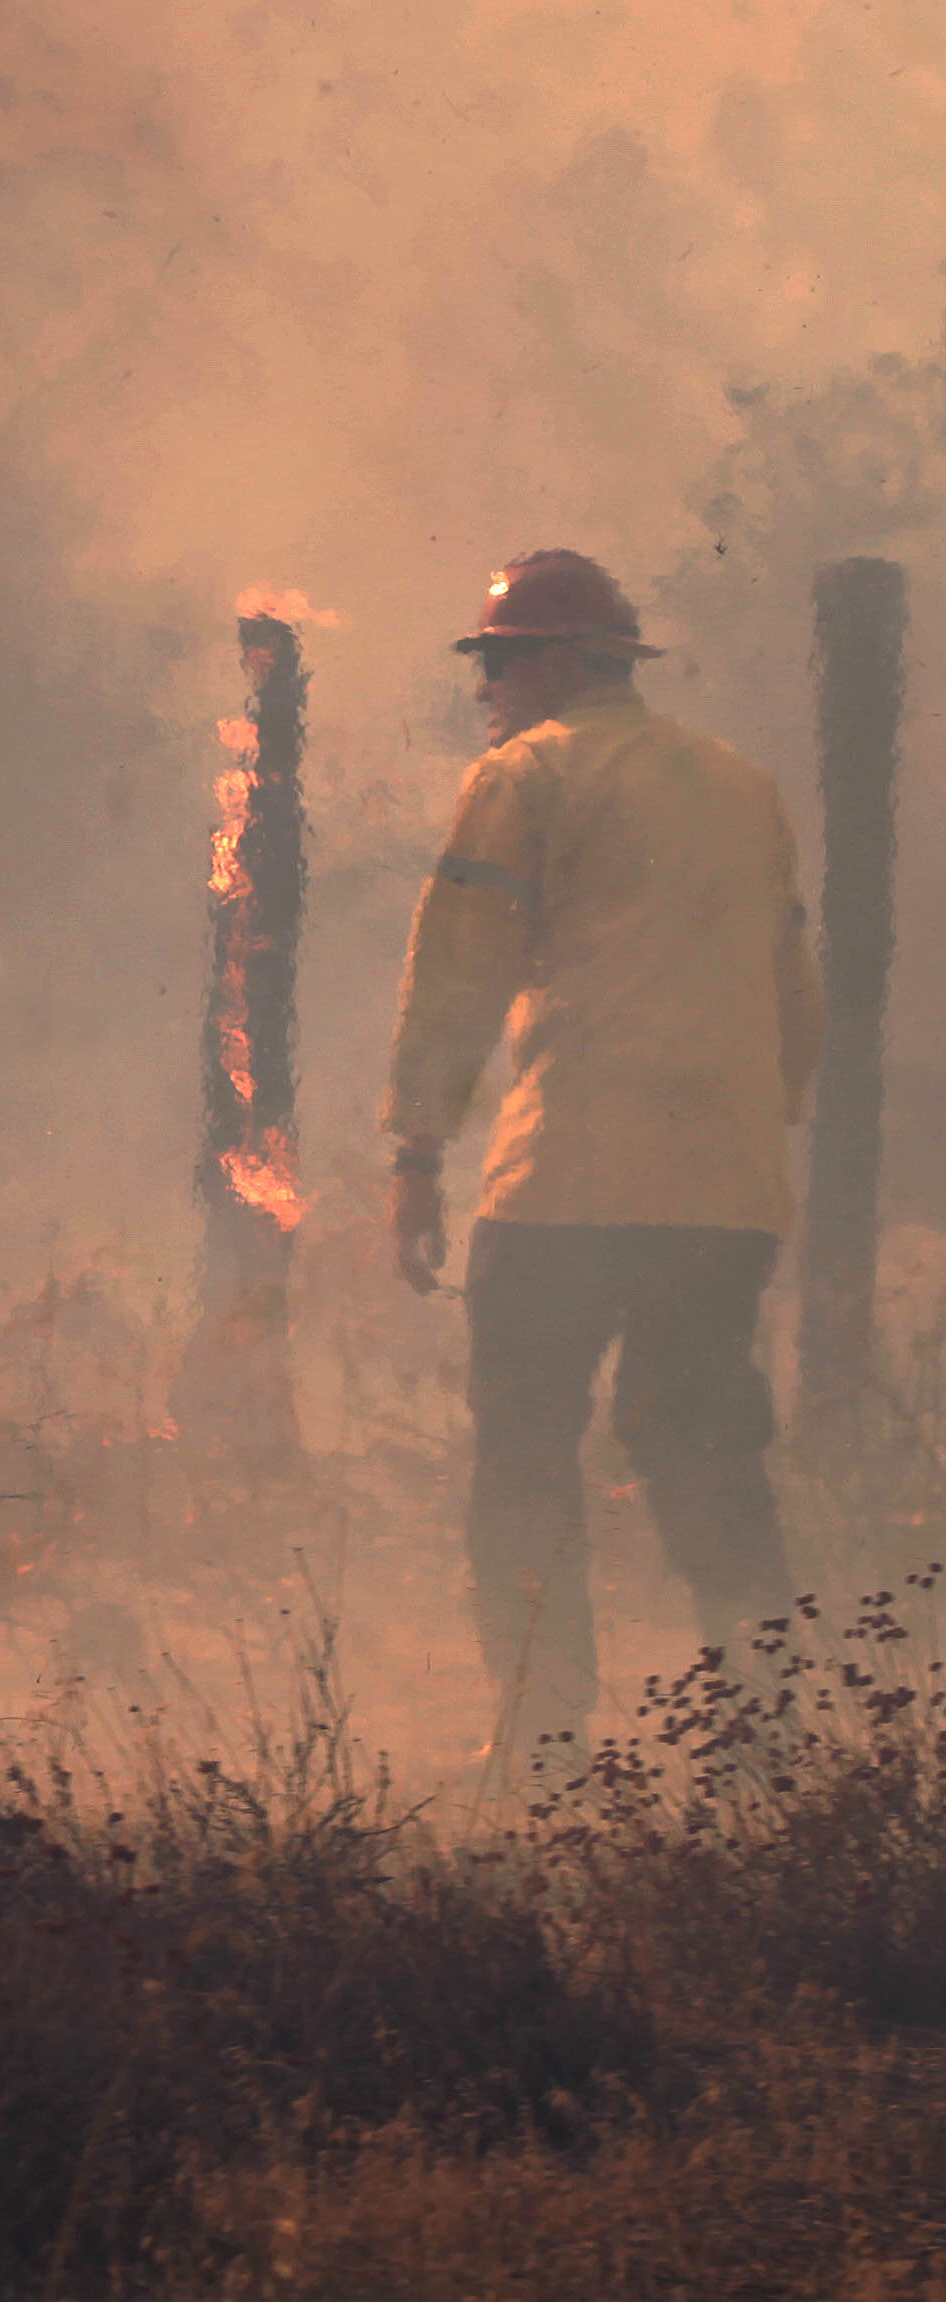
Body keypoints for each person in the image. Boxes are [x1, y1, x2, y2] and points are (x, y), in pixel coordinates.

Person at [382, 548, 825, 1776]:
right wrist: (760, 1123)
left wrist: (415, 1148)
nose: (485, 689)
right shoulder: (741, 785)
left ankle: (540, 1734)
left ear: (560, 663)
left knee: (523, 1451)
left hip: (566, 1182)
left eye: (497, 662)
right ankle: (764, 1733)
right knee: (703, 1450)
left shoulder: (522, 775)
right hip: (722, 1193)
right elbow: (791, 984)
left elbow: (457, 969)